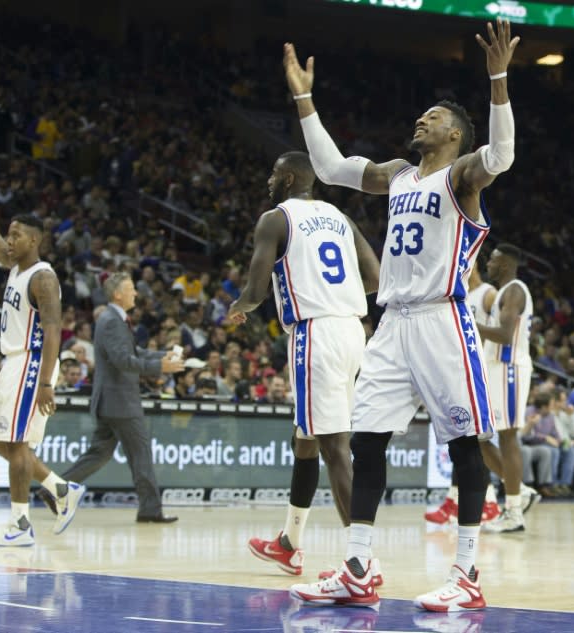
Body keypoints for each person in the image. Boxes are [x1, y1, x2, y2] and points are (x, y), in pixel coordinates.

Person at [284, 17, 519, 611]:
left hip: (443, 319)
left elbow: (504, 153)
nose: (423, 119)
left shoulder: (462, 177)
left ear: (456, 136)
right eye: (423, 115)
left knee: (465, 445)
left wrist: (497, 81)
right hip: (390, 324)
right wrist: (305, 100)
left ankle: (466, 574)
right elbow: (335, 169)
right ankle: (358, 567)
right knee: (366, 441)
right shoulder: (398, 175)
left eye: (435, 117)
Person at [229, 151, 380, 578]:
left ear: (290, 178)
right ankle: (289, 542)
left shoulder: (275, 219)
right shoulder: (339, 217)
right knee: (306, 436)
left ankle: (362, 562)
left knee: (335, 446)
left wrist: (239, 306)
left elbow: (257, 290)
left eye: (274, 174)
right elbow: (374, 277)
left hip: (316, 333)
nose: (269, 182)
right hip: (353, 330)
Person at [0, 158, 85, 546]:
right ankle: (60, 490)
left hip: (30, 362)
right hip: (15, 363)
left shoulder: (43, 277)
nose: (8, 240)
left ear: (34, 241)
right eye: (9, 235)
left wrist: (46, 381)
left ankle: (21, 524)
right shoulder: (14, 266)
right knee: (1, 442)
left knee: (17, 444)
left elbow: (53, 329)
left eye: (16, 236)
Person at [53, 272, 184, 523]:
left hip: (111, 401)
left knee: (98, 453)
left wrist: (161, 356)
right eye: (131, 288)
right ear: (117, 294)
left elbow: (134, 352)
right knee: (141, 454)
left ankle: (56, 488)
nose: (135, 293)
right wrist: (160, 368)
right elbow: (123, 361)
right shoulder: (112, 320)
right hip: (121, 402)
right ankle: (150, 510)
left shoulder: (114, 318)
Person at [425, 263, 501, 525]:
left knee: (472, 439)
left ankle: (493, 498)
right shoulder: (457, 292)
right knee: (462, 437)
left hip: (480, 370)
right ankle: (458, 500)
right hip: (455, 368)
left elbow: (501, 333)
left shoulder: (489, 294)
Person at [476, 244, 536, 533]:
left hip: (509, 370)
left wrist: (470, 325)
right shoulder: (502, 292)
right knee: (480, 438)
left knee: (508, 437)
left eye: (494, 259)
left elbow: (504, 336)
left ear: (507, 264)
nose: (489, 263)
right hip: (495, 371)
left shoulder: (514, 290)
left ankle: (514, 512)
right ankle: (519, 492)